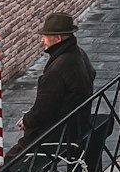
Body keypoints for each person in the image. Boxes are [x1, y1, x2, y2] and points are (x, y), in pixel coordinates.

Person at [12, 13, 95, 151]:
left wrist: (26, 120)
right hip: (79, 119)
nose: (42, 40)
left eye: (45, 36)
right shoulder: (78, 53)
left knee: (12, 162)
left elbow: (43, 108)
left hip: (62, 130)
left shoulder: (57, 69)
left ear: (58, 38)